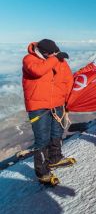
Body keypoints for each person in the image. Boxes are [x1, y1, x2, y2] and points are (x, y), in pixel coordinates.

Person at [22, 39, 75, 186]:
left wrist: (68, 101)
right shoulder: (29, 59)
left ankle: (55, 159)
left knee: (56, 133)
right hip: (38, 107)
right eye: (51, 53)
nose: (55, 54)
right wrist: (54, 59)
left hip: (57, 104)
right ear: (43, 52)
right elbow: (38, 71)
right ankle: (42, 172)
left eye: (56, 52)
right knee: (42, 139)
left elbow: (68, 80)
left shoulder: (58, 60)